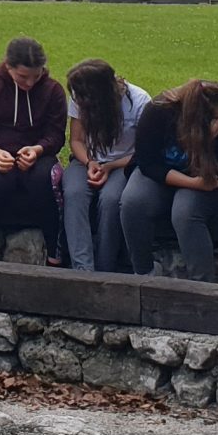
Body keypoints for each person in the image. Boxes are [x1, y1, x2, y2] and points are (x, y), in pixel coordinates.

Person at [117, 79, 218, 279]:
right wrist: (190, 183)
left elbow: (215, 174)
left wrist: (206, 143)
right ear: (201, 117)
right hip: (159, 172)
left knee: (185, 213)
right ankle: (144, 273)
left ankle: (203, 285)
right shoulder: (157, 111)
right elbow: (147, 163)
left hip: (202, 172)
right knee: (133, 202)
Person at [0, 37, 67, 266]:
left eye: (36, 75)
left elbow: (56, 134)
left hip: (38, 154)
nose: (30, 83)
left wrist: (38, 149)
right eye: (23, 77)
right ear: (8, 67)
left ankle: (55, 252)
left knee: (47, 181)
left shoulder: (53, 90)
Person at [62, 59, 149, 274]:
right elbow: (76, 140)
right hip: (87, 159)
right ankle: (82, 268)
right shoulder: (79, 99)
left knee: (111, 200)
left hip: (125, 162)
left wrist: (110, 166)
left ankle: (105, 266)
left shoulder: (138, 101)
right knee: (73, 193)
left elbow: (145, 152)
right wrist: (90, 162)